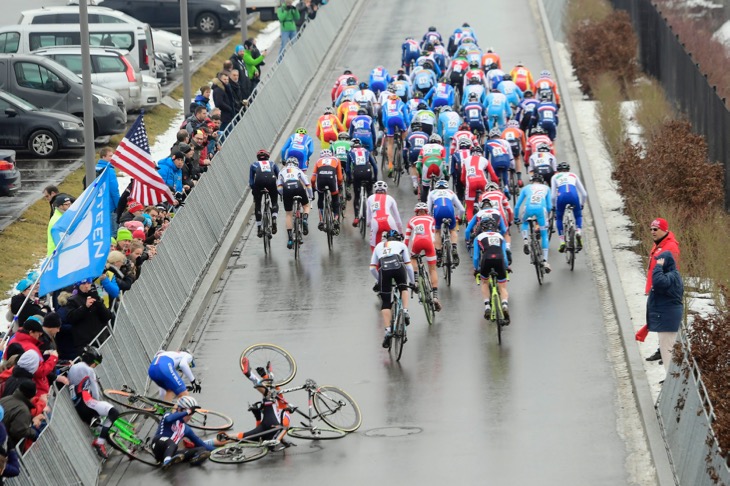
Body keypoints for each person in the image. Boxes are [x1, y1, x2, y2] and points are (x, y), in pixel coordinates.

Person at [224, 358, 292, 447]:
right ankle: (208, 444)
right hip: (266, 431)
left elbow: (277, 393)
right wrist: (258, 417)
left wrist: (258, 417)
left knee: (270, 396)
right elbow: (278, 394)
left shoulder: (282, 413)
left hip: (270, 427)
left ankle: (250, 375)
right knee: (231, 437)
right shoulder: (282, 413)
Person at [67, 347, 120, 459]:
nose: (95, 366)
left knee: (101, 426)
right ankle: (99, 443)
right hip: (87, 403)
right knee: (114, 413)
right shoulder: (89, 370)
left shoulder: (73, 367)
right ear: (92, 360)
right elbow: (95, 392)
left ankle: (110, 443)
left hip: (79, 406)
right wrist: (98, 403)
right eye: (96, 363)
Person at [644, 217, 680, 362]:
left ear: (664, 230)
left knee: (664, 325)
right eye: (651, 229)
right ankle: (662, 350)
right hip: (656, 289)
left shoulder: (670, 247)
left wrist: (660, 288)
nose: (652, 232)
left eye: (656, 229)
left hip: (663, 292)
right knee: (659, 322)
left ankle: (667, 354)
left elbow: (672, 271)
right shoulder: (659, 244)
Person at [370, 230, 414, 348]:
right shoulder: (401, 245)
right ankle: (405, 311)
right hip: (398, 266)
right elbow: (409, 266)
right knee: (403, 288)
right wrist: (413, 283)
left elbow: (372, 268)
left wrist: (380, 280)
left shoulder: (378, 246)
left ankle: (388, 331)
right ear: (397, 238)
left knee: (385, 302)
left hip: (384, 270)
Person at [152, 396, 223, 469]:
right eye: (189, 414)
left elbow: (201, 444)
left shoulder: (186, 429)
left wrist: (220, 451)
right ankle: (166, 462)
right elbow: (169, 419)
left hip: (172, 453)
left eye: (191, 414)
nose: (190, 417)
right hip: (158, 445)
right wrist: (187, 412)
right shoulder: (168, 415)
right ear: (179, 409)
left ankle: (195, 460)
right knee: (172, 443)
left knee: (201, 449)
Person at [647, 252, 683, 373]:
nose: (657, 263)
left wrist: (658, 267)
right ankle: (673, 377)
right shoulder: (673, 275)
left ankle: (671, 378)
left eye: (660, 261)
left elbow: (658, 282)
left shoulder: (671, 276)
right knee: (669, 348)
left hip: (667, 319)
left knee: (667, 350)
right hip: (667, 318)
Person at [404, 203, 441, 311]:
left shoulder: (411, 220)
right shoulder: (431, 219)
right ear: (426, 211)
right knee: (433, 269)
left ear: (416, 212)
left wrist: (404, 252)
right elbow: (433, 235)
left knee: (413, 258)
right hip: (429, 243)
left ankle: (415, 280)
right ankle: (435, 296)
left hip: (417, 243)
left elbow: (406, 239)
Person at [473, 218, 510, 321]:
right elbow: (505, 256)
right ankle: (504, 304)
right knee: (502, 286)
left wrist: (476, 269)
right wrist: (506, 266)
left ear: (482, 228)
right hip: (499, 259)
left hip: (487, 259)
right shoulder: (500, 236)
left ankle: (487, 306)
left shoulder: (479, 237)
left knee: (484, 282)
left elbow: (476, 257)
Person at [514, 174, 552, 273]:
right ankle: (545, 261)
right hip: (541, 210)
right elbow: (549, 207)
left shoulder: (527, 188)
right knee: (544, 235)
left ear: (532, 181)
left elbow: (517, 206)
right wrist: (547, 217)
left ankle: (526, 240)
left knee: (525, 222)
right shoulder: (546, 188)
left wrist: (516, 218)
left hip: (529, 208)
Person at [64, 279, 113, 357]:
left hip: (100, 339)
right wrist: (85, 307)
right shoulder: (72, 300)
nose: (86, 286)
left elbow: (107, 316)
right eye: (83, 284)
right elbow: (71, 318)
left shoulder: (96, 297)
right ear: (78, 285)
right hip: (84, 343)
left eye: (88, 283)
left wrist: (98, 303)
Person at [551, 162, 587, 253]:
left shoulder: (555, 177)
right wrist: (582, 204)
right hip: (574, 196)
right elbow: (584, 194)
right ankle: (578, 231)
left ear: (558, 171)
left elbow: (552, 196)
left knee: (558, 218)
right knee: (578, 216)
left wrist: (554, 207)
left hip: (561, 197)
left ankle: (562, 241)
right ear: (568, 170)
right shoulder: (573, 175)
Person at [277, 157, 313, 250]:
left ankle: (289, 239)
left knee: (288, 214)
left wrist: (284, 195)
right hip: (298, 186)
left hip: (287, 188)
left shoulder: (282, 171)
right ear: (296, 164)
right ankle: (304, 219)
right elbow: (307, 185)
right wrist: (311, 196)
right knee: (306, 206)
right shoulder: (298, 170)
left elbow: (279, 188)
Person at [427, 180, 464, 267]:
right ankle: (454, 247)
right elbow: (462, 209)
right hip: (449, 211)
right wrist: (459, 217)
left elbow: (428, 209)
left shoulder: (432, 192)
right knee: (452, 230)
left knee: (437, 232)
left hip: (438, 211)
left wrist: (430, 219)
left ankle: (439, 254)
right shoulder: (451, 192)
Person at [460, 145, 498, 221]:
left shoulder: (466, 160)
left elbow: (462, 178)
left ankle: (471, 229)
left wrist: (465, 186)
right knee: (489, 201)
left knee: (469, 208)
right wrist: (496, 185)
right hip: (482, 181)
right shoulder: (484, 159)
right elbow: (493, 176)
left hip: (470, 183)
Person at [311, 149, 344, 233]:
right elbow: (340, 177)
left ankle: (321, 220)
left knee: (320, 199)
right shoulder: (336, 160)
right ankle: (336, 218)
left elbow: (313, 179)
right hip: (332, 181)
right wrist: (339, 185)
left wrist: (313, 187)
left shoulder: (318, 161)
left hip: (321, 181)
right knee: (335, 200)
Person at [346, 138, 378, 226]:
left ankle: (356, 217)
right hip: (367, 172)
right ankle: (374, 215)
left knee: (357, 196)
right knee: (370, 194)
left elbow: (348, 169)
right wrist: (375, 178)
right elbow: (375, 166)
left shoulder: (350, 152)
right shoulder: (366, 151)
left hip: (357, 173)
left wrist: (349, 179)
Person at [250, 149, 280, 238]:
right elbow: (280, 176)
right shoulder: (272, 164)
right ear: (268, 157)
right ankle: (274, 218)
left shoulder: (253, 165)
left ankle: (259, 228)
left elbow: (251, 182)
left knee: (258, 205)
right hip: (271, 181)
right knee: (274, 201)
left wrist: (254, 190)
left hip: (259, 182)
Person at [366, 181, 403, 252]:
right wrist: (400, 232)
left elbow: (368, 221)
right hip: (388, 220)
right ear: (385, 190)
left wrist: (371, 227)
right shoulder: (390, 198)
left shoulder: (370, 198)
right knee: (398, 245)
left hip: (375, 222)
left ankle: (377, 261)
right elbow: (397, 217)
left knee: (374, 248)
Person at [381, 94, 409, 173]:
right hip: (399, 119)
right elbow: (406, 119)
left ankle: (390, 166)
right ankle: (403, 147)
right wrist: (406, 127)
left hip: (389, 120)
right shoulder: (401, 103)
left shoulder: (385, 104)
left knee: (390, 144)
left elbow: (383, 120)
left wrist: (386, 127)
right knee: (404, 133)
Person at [416, 134, 447, 203]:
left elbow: (418, 166)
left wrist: (421, 175)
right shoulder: (441, 147)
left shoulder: (424, 147)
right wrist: (447, 175)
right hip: (438, 164)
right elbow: (444, 167)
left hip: (427, 165)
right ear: (439, 142)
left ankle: (424, 210)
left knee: (425, 189)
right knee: (440, 187)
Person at [485, 129, 515, 196]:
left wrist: (486, 169)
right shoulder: (506, 142)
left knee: (495, 174)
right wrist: (513, 166)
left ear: (490, 136)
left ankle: (496, 190)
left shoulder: (488, 143)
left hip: (495, 162)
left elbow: (486, 158)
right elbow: (511, 156)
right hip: (506, 160)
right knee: (505, 171)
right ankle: (506, 186)